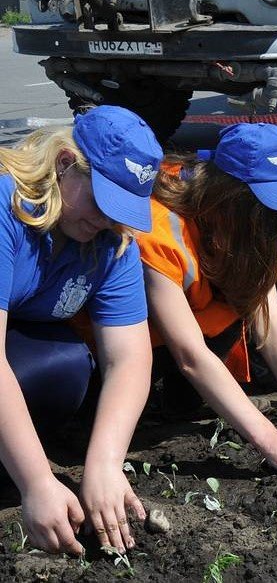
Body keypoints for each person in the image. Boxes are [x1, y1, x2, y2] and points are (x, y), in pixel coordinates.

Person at [140, 123, 277, 486]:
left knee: (231, 314)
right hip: (122, 341)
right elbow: (189, 354)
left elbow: (269, 316)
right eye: (267, 205)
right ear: (227, 196)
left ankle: (180, 401)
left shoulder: (249, 221)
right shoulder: (160, 227)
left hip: (191, 322)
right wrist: (269, 440)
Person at [0, 107, 161, 556]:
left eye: (122, 209)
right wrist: (35, 482)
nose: (108, 221)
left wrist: (106, 464)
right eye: (103, 202)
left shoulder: (111, 241)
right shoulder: (5, 204)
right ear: (65, 163)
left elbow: (129, 356)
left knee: (66, 367)